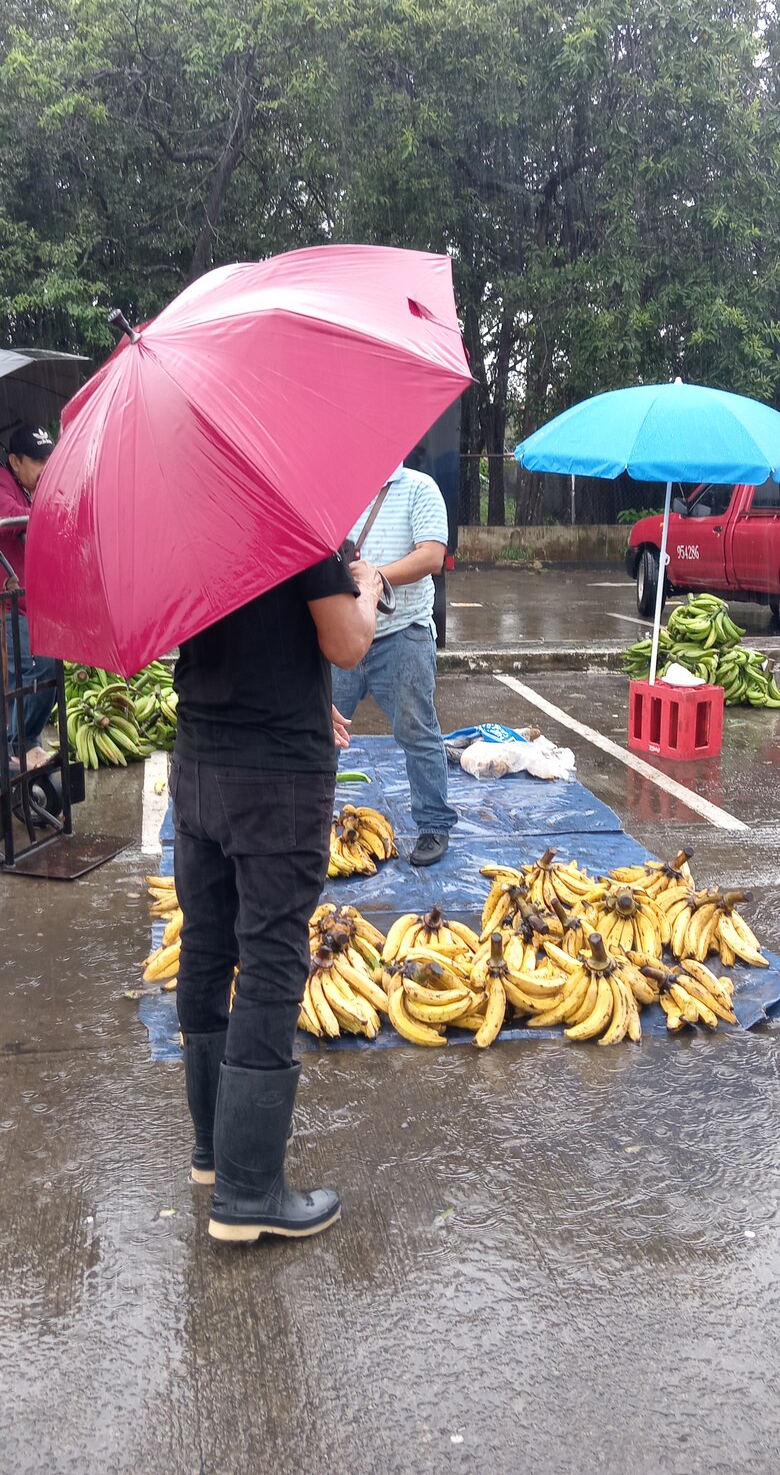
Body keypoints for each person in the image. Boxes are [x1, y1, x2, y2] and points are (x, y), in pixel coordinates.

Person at [171, 547, 383, 1247]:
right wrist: (369, 587)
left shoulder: (191, 518)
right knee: (270, 962)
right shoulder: (292, 518)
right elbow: (348, 643)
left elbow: (245, 637)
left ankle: (214, 1157)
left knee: (206, 947)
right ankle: (248, 1190)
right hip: (275, 778)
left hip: (200, 759)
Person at [330, 462, 457, 867]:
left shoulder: (419, 487)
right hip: (343, 634)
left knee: (417, 731)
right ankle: (309, 824)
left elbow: (432, 555)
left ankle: (434, 825)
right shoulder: (337, 487)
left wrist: (375, 577)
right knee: (320, 732)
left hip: (402, 635)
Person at [0, 424, 58, 767]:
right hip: (9, 605)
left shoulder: (27, 488)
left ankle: (27, 744)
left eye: (48, 458)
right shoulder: (4, 486)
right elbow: (10, 517)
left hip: (29, 603)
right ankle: (17, 747)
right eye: (38, 460)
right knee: (35, 672)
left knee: (48, 670)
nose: (45, 466)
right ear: (14, 461)